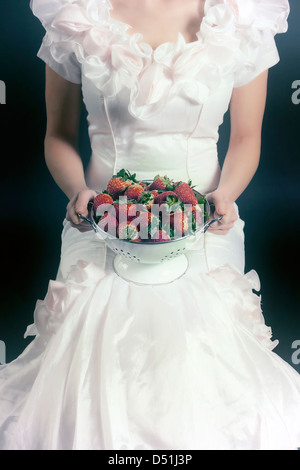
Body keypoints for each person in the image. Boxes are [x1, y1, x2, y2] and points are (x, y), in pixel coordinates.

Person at [0, 0, 299, 450]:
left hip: (204, 222)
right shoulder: (77, 14)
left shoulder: (243, 16)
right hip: (99, 219)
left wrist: (226, 195)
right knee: (87, 351)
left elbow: (245, 138)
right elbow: (57, 135)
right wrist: (77, 191)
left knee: (202, 356)